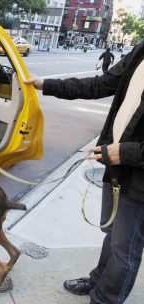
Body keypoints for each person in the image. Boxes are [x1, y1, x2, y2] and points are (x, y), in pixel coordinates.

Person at [24, 41, 144, 304]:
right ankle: (99, 279)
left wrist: (124, 153)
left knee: (126, 250)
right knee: (111, 234)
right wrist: (45, 84)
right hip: (117, 166)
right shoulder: (141, 49)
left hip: (138, 178)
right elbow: (100, 85)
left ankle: (105, 299)